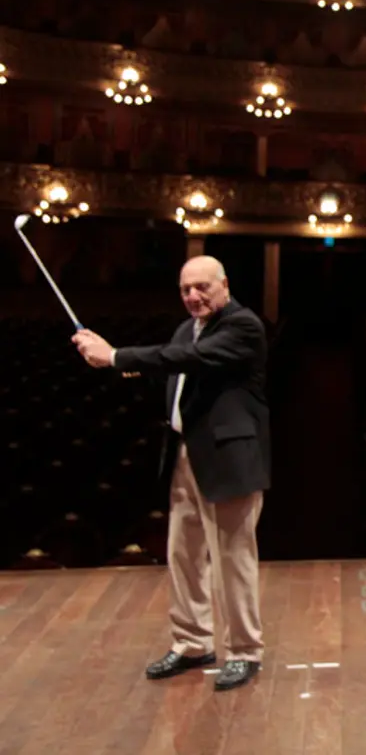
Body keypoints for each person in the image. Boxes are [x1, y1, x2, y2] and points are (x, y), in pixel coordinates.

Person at [73, 255, 271, 692]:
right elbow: (172, 368)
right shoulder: (187, 329)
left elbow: (186, 359)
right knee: (183, 553)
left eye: (202, 287)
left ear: (225, 285)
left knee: (232, 559)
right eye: (185, 289)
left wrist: (116, 356)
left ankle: (244, 651)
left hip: (228, 458)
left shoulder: (243, 326)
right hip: (186, 455)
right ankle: (192, 642)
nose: (193, 296)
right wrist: (112, 359)